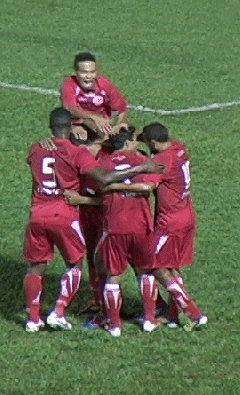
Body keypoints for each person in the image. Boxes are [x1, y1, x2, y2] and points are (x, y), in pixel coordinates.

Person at [22, 108, 163, 333]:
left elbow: (40, 157)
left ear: (51, 128)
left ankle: (33, 319)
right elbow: (105, 177)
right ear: (70, 127)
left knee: (35, 267)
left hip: (37, 214)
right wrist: (142, 167)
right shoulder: (79, 153)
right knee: (75, 264)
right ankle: (58, 312)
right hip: (66, 213)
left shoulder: (36, 148)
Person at [90, 127, 161, 336]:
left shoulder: (103, 163)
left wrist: (113, 188)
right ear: (127, 143)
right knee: (144, 271)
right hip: (141, 225)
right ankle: (149, 318)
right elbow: (149, 187)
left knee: (113, 276)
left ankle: (114, 324)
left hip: (115, 227)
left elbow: (97, 190)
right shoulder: (141, 161)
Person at [138, 122, 207, 330]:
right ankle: (172, 316)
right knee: (172, 266)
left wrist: (134, 170)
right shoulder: (178, 147)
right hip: (187, 216)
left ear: (152, 142)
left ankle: (193, 313)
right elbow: (153, 141)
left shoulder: (161, 160)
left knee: (152, 263)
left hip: (170, 222)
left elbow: (147, 186)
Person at [60, 52, 129, 142]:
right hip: (78, 122)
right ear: (75, 72)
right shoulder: (69, 83)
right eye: (84, 72)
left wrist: (120, 124)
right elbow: (69, 108)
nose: (88, 76)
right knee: (77, 136)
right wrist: (93, 118)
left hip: (102, 124)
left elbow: (122, 109)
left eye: (92, 72)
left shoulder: (104, 84)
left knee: (121, 137)